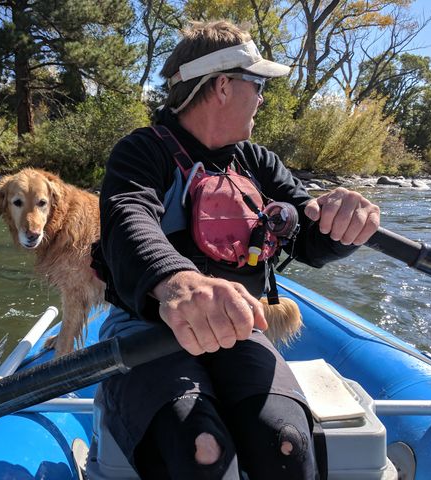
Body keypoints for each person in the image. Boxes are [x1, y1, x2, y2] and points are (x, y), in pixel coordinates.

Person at [95, 20, 381, 479]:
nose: (263, 97)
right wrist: (179, 284)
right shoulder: (141, 152)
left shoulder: (258, 162)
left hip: (241, 328)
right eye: (258, 83)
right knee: (200, 448)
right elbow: (127, 221)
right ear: (223, 85)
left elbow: (309, 237)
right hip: (148, 325)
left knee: (285, 442)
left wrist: (342, 221)